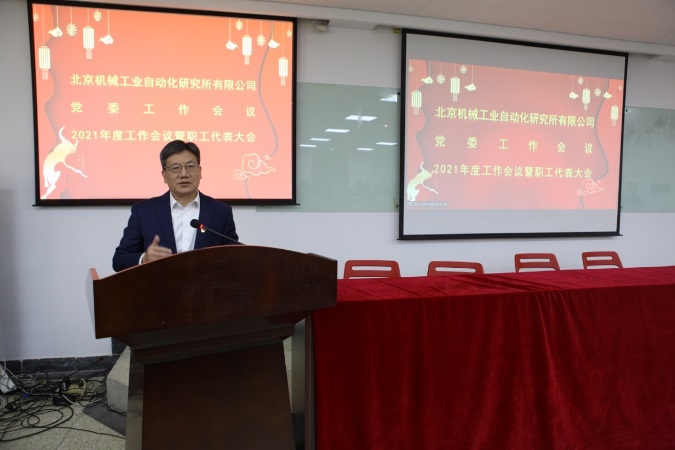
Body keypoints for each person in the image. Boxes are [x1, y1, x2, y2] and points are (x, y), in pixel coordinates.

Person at [112, 140, 238, 272]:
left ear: (200, 171)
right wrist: (144, 259)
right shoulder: (144, 212)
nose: (184, 174)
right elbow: (119, 260)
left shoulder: (221, 212)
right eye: (175, 168)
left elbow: (234, 257)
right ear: (164, 175)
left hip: (205, 284)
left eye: (190, 166)